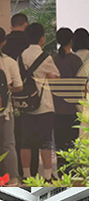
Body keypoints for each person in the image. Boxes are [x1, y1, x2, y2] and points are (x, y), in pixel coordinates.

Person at [19, 23, 60, 182]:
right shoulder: (46, 57)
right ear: (42, 38)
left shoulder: (21, 56)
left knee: (26, 142)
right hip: (44, 104)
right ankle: (47, 175)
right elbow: (56, 76)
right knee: (46, 142)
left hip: (26, 104)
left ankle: (27, 175)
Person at [3, 13, 37, 179]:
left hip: (7, 102)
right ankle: (27, 173)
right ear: (25, 25)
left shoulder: (6, 43)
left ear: (11, 26)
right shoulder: (29, 43)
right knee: (25, 137)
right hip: (29, 99)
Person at [52, 28, 83, 174]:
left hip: (56, 106)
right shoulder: (76, 60)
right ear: (71, 41)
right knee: (72, 140)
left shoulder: (53, 59)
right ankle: (71, 169)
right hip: (73, 107)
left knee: (59, 140)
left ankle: (60, 168)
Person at [0, 28, 21, 186]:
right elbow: (19, 86)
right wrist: (8, 88)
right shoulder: (10, 62)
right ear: (4, 42)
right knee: (9, 143)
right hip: (5, 109)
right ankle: (12, 178)